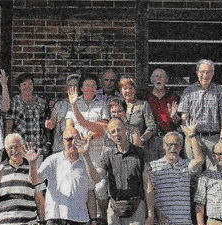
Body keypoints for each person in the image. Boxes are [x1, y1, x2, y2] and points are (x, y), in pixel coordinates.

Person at [66, 74, 110, 217]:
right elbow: (69, 126)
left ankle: (103, 217)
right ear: (81, 88)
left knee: (100, 187)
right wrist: (76, 137)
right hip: (79, 150)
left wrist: (90, 136)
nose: (90, 88)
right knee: (81, 186)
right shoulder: (74, 103)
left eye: (93, 86)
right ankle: (85, 218)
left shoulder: (102, 104)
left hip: (97, 150)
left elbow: (104, 126)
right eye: (87, 85)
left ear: (96, 89)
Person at [178, 59, 222, 167]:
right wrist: (191, 138)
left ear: (213, 73)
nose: (205, 75)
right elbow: (184, 119)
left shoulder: (219, 91)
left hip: (213, 139)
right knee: (194, 172)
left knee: (215, 172)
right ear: (197, 73)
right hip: (193, 137)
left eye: (208, 72)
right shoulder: (188, 91)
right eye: (202, 72)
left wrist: (221, 140)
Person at [140, 68, 181, 161]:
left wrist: (174, 116)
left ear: (166, 80)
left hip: (168, 139)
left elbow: (179, 122)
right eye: (156, 76)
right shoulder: (144, 96)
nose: (159, 79)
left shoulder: (173, 97)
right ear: (151, 79)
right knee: (151, 168)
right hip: (150, 140)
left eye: (162, 76)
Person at [6, 72, 50, 155]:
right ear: (19, 87)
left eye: (30, 84)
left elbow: (45, 126)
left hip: (39, 147)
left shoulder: (41, 102)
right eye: (24, 84)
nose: (27, 87)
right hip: (21, 149)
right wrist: (9, 147)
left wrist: (47, 142)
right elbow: (9, 126)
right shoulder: (14, 102)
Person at [119, 76, 157, 161]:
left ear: (135, 90)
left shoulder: (143, 105)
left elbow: (151, 127)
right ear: (121, 90)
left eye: (130, 88)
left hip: (138, 148)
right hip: (120, 148)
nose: (128, 91)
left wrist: (141, 139)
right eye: (125, 88)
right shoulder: (117, 105)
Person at [49, 74, 80, 154]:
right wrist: (49, 123)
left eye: (75, 85)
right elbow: (52, 122)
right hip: (59, 148)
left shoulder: (84, 103)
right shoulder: (59, 104)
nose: (72, 88)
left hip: (78, 148)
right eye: (70, 85)